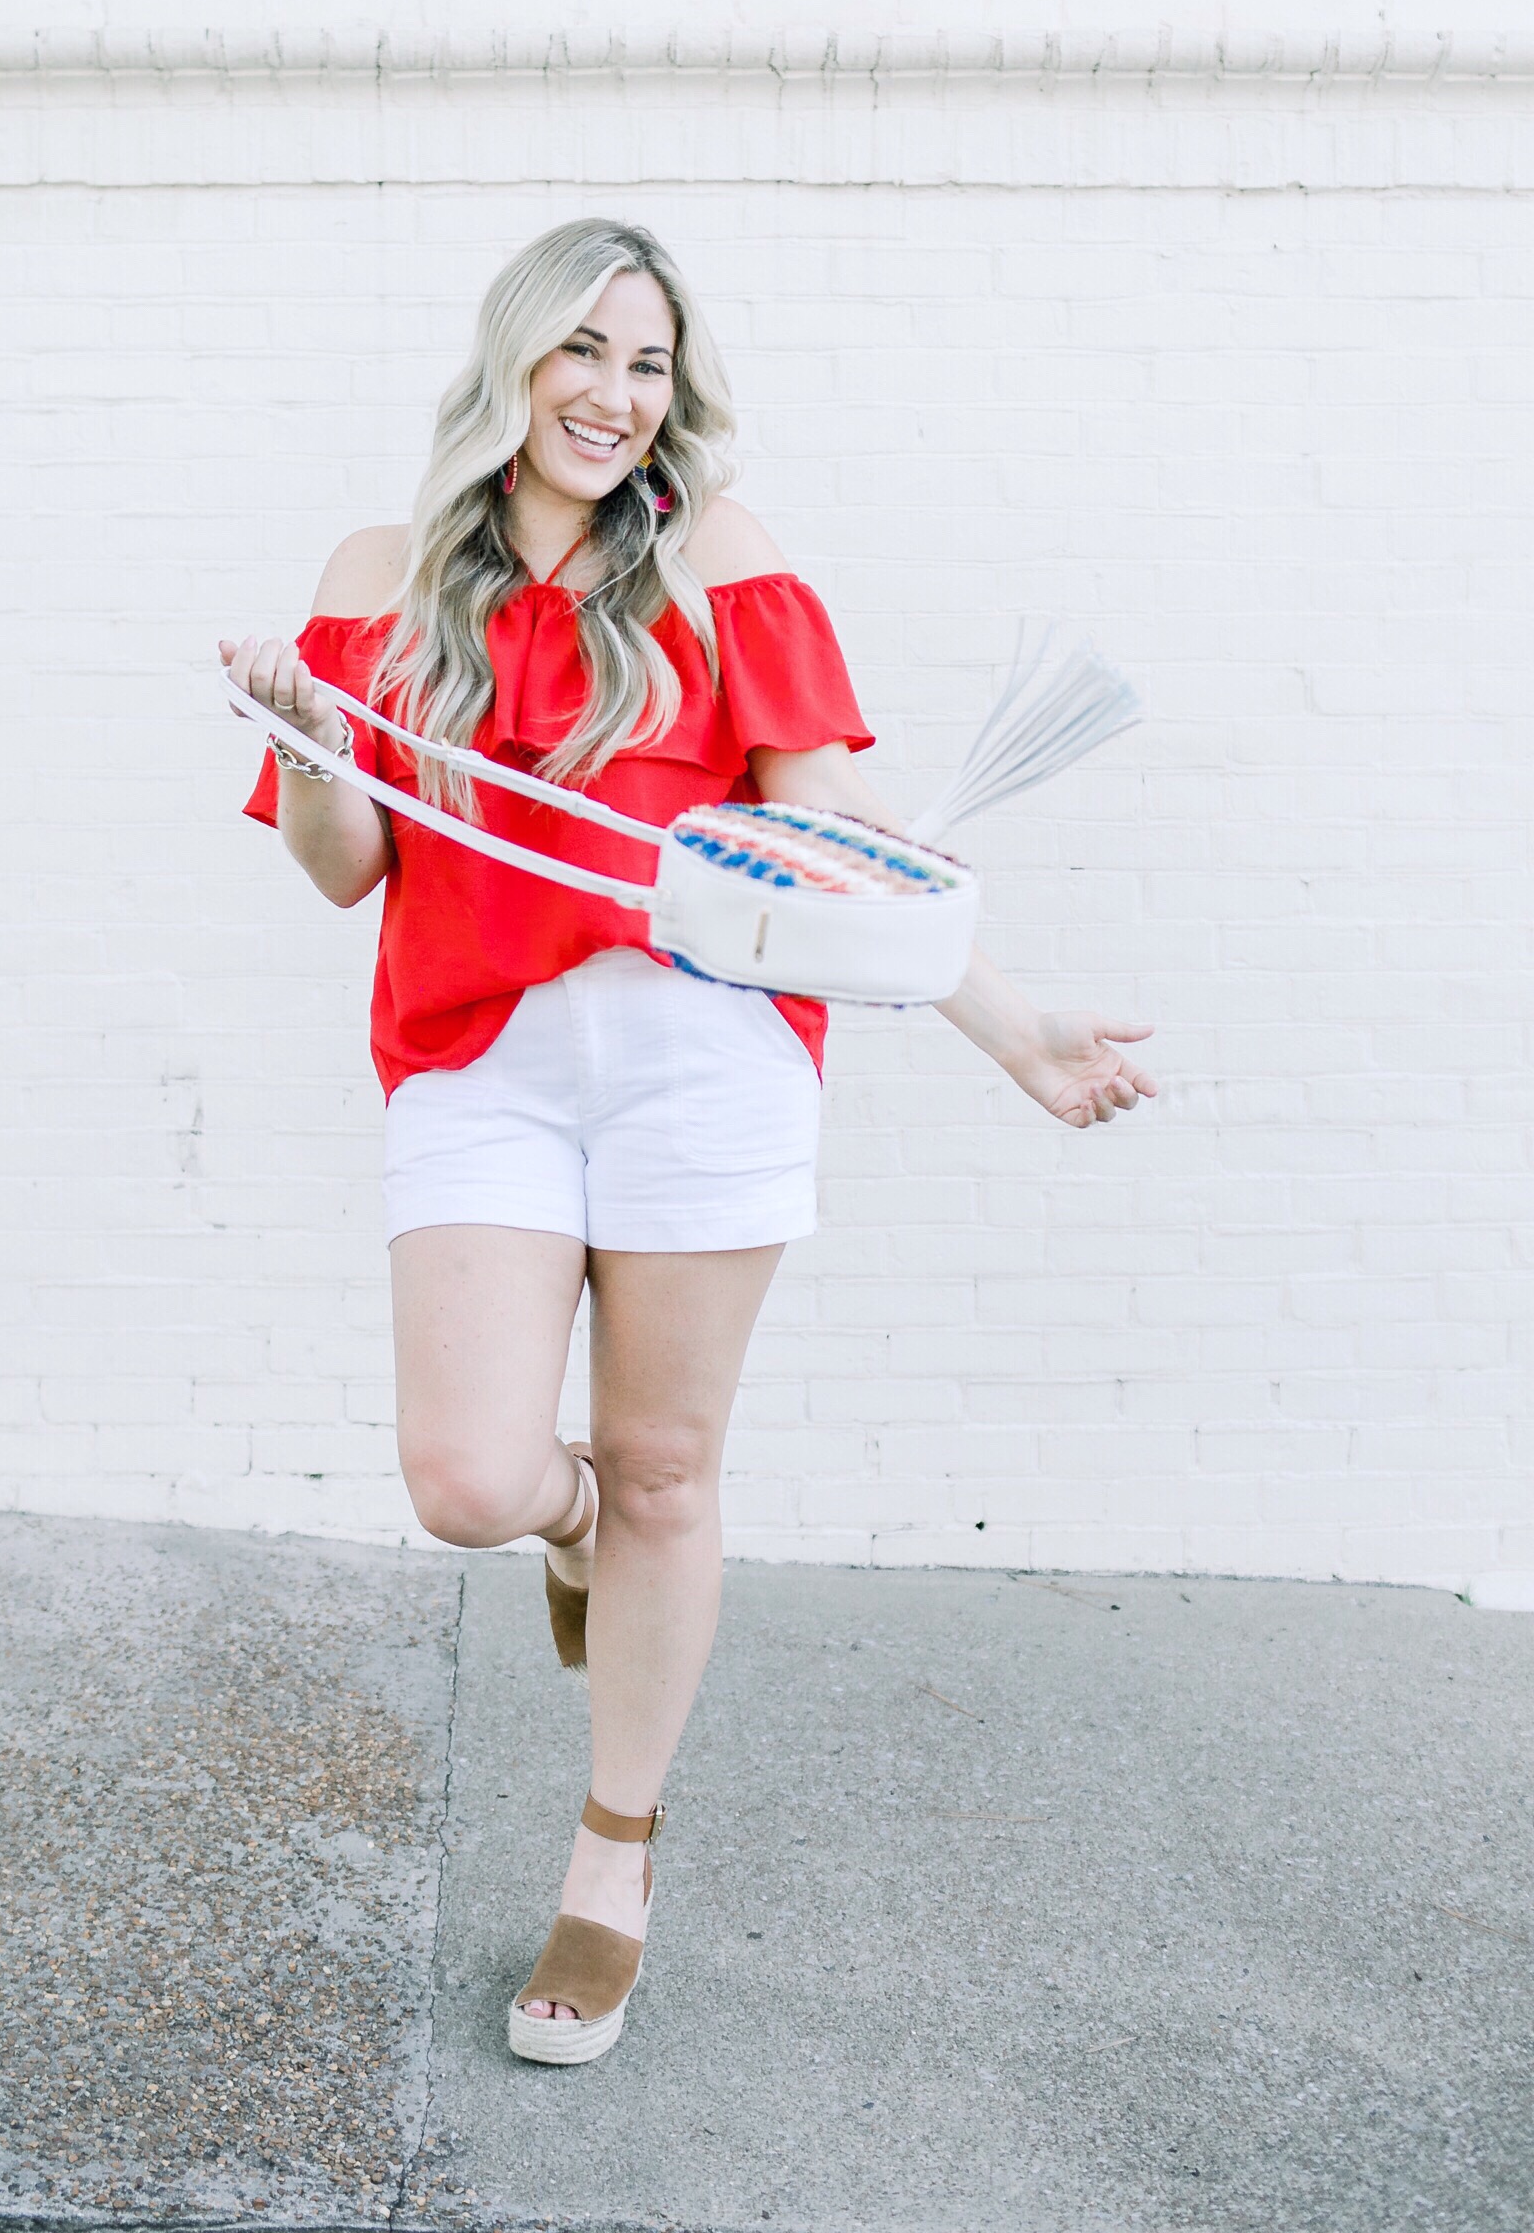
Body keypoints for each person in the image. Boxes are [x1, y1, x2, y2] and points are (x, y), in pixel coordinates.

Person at [219, 219, 1154, 2066]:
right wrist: (313, 744)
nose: (614, 396)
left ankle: (613, 1856)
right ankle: (573, 1538)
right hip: (477, 1050)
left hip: (702, 1052)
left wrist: (1010, 1017)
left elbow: (820, 849)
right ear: (513, 362)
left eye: (648, 366)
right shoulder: (379, 575)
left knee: (664, 1468)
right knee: (475, 1480)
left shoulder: (716, 557)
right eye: (584, 353)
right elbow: (344, 872)